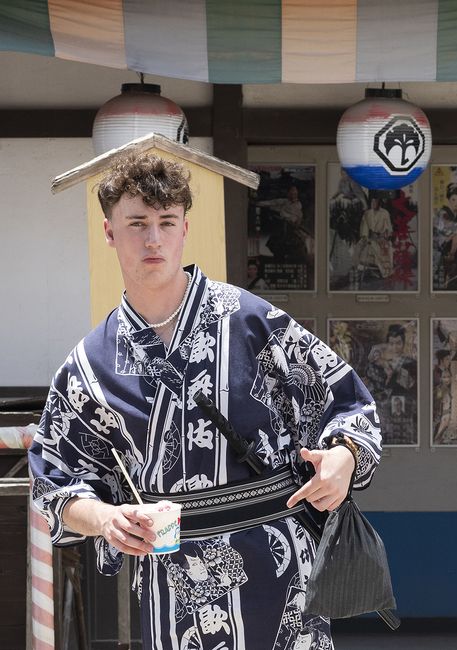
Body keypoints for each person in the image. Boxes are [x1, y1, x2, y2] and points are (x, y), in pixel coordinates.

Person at [28, 153, 383, 649]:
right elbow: (55, 484)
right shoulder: (90, 366)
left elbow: (347, 405)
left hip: (280, 570)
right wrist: (106, 520)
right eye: (137, 223)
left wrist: (342, 460)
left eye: (166, 222)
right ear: (109, 232)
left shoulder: (253, 321)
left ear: (184, 229)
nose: (153, 238)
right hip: (172, 583)